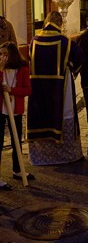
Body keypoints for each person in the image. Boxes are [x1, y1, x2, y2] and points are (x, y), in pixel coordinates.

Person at [27, 11, 84, 165]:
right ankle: (67, 155)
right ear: (60, 24)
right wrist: (72, 70)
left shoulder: (34, 41)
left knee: (41, 115)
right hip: (60, 87)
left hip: (38, 89)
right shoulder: (65, 42)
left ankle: (40, 158)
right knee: (63, 112)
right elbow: (79, 57)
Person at [0, 42, 32, 191]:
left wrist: (11, 89)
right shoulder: (0, 69)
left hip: (15, 109)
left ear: (12, 55)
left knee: (16, 141)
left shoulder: (23, 68)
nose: (2, 57)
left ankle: (17, 170)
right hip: (1, 109)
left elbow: (27, 90)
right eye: (0, 54)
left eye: (5, 54)